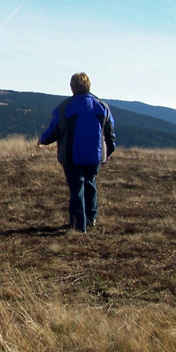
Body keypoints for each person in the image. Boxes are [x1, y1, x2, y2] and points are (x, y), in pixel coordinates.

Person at [37, 72, 116, 233]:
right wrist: (108, 152)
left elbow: (55, 130)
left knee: (76, 188)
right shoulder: (103, 107)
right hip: (95, 156)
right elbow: (110, 133)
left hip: (72, 157)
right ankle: (91, 218)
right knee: (90, 183)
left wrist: (43, 140)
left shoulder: (65, 107)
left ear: (72, 87)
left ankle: (78, 225)